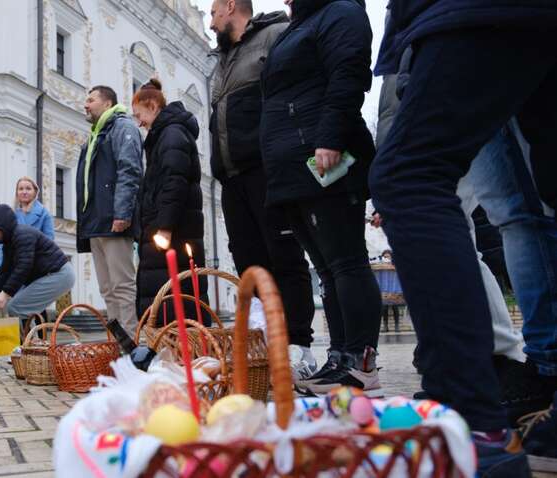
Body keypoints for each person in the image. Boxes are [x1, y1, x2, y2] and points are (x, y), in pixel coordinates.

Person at [371, 0, 557, 474]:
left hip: (472, 11)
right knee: (531, 202)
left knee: (409, 176)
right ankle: (535, 383)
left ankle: (472, 424)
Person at [259, 0, 382, 396]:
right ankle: (340, 357)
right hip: (293, 166)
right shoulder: (300, 25)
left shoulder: (340, 11)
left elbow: (347, 75)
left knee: (346, 263)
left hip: (325, 157)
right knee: (327, 270)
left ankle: (360, 361)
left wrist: (329, 137)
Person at [208, 0, 318, 380]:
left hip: (266, 169)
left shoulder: (275, 35)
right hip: (232, 177)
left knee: (284, 256)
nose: (211, 23)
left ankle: (298, 345)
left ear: (230, 6)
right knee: (249, 263)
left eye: (213, 13)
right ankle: (268, 340)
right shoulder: (222, 59)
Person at [131, 80, 209, 323]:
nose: (139, 122)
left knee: (175, 302)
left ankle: (178, 344)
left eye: (139, 115)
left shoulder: (171, 135)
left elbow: (174, 182)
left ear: (152, 106)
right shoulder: (165, 136)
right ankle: (170, 340)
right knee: (171, 300)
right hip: (168, 229)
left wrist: (164, 227)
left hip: (172, 232)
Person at [76, 86, 143, 334]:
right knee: (107, 288)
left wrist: (122, 213)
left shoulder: (123, 128)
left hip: (114, 220)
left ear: (107, 103)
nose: (86, 104)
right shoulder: (95, 135)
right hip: (95, 222)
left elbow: (130, 170)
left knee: (122, 285)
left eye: (91, 100)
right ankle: (118, 342)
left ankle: (131, 344)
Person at [0, 205, 74, 322]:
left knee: (15, 307)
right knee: (11, 306)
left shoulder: (23, 235)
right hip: (49, 275)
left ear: (1, 224)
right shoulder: (9, 243)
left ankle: (28, 334)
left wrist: (5, 294)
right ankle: (30, 334)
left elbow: (23, 266)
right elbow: (5, 272)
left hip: (59, 274)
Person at [0, 176, 55, 270]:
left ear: (35, 192)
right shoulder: (10, 214)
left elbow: (49, 242)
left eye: (28, 189)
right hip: (12, 262)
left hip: (35, 263)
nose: (24, 192)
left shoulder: (44, 214)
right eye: (21, 189)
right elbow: (2, 241)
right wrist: (0, 263)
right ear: (17, 192)